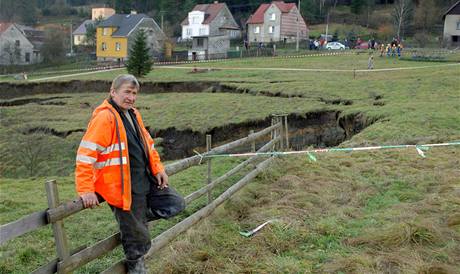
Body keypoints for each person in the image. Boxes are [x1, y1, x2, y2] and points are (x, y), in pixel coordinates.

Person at [75, 74, 185, 274]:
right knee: (138, 240)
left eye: (134, 93)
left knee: (175, 204)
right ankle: (137, 268)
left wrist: (159, 169)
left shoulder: (133, 113)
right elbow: (85, 155)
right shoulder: (104, 117)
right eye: (127, 92)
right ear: (113, 92)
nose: (131, 97)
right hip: (121, 187)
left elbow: (149, 145)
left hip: (145, 181)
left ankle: (137, 221)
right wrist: (85, 190)